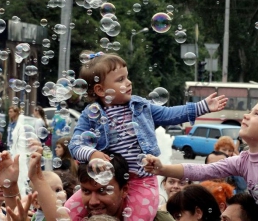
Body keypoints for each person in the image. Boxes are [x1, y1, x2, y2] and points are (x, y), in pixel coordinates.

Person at [67, 51, 228, 221]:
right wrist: (92, 154)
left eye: (127, 77)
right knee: (67, 213)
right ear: (100, 89)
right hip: (106, 182)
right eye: (120, 80)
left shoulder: (140, 106)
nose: (128, 83)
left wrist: (201, 106)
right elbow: (75, 144)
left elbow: (169, 114)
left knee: (138, 218)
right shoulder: (90, 114)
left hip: (141, 180)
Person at [144, 99, 258, 221]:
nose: (246, 115)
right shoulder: (244, 160)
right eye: (251, 112)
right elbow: (204, 170)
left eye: (256, 114)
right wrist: (163, 169)